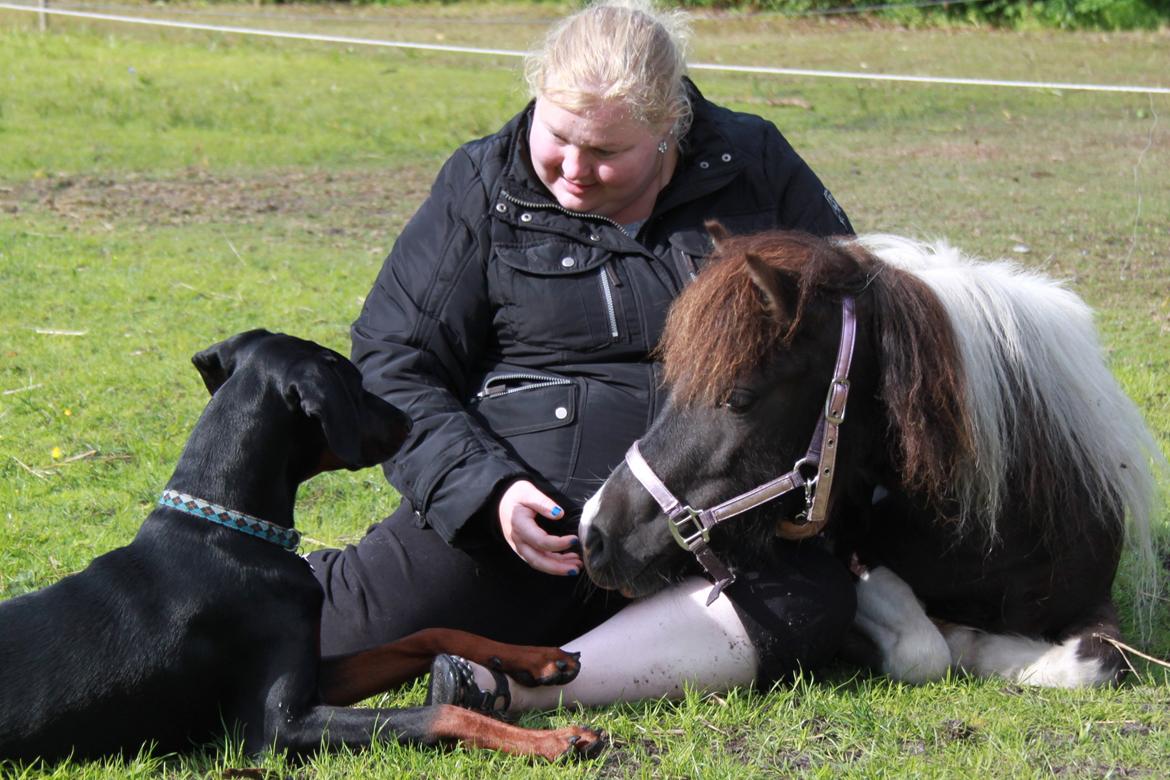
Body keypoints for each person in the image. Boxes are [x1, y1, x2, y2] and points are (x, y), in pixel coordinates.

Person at [307, 0, 856, 714]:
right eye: (558, 135)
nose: (573, 169)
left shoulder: (755, 165)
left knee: (813, 602)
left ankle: (515, 688)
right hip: (525, 530)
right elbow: (393, 359)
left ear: (669, 129)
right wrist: (486, 492)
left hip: (709, 519)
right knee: (319, 639)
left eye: (605, 152)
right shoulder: (481, 185)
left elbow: (845, 330)